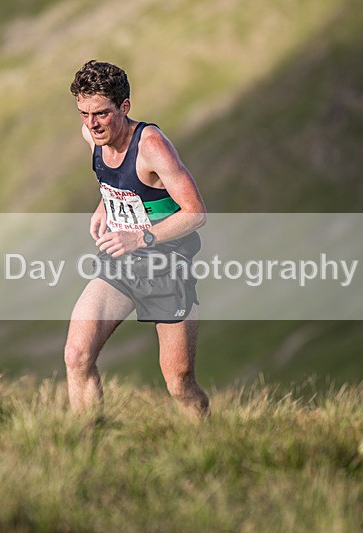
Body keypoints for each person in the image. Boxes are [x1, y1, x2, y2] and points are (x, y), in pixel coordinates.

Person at [64, 60, 210, 418]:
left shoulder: (152, 146)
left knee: (179, 382)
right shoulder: (92, 137)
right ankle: (86, 448)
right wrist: (105, 204)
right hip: (120, 266)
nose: (92, 124)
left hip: (166, 266)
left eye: (101, 114)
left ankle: (208, 445)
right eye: (84, 113)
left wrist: (140, 237)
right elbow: (120, 182)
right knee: (77, 356)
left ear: (124, 107)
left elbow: (196, 213)